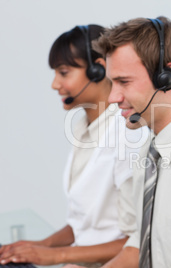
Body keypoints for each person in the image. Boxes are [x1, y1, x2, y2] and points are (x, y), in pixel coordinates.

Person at [0, 25, 148, 267]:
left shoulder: (127, 134)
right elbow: (86, 223)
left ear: (98, 69)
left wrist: (57, 256)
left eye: (64, 72)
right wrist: (39, 246)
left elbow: (136, 242)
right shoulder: (83, 127)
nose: (54, 84)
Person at [87, 16, 171, 268]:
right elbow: (139, 241)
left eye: (123, 82)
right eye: (111, 83)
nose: (112, 97)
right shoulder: (148, 151)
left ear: (167, 76)